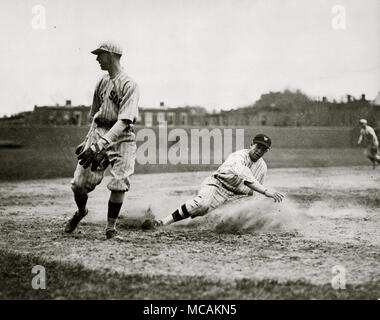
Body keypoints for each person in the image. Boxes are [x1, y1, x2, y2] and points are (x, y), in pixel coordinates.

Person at [65, 41, 139, 239]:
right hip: (99, 132)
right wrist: (88, 139)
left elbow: (124, 121)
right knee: (78, 185)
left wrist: (100, 144)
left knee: (119, 182)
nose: (97, 58)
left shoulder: (129, 84)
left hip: (123, 136)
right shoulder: (102, 81)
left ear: (112, 55)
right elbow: (96, 114)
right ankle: (81, 212)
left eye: (100, 54)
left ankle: (110, 228)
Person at [142, 134, 284, 228]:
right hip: (217, 185)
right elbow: (247, 180)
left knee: (228, 218)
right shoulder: (239, 156)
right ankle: (161, 222)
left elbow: (253, 193)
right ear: (251, 144)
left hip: (235, 196)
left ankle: (186, 218)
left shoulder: (262, 167)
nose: (260, 150)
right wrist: (266, 191)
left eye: (264, 149)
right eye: (258, 146)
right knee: (202, 205)